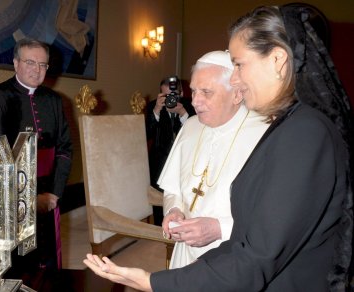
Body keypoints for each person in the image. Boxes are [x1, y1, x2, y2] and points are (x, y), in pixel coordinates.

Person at [84, 5, 353, 291]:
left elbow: (256, 257)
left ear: (277, 59)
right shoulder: (291, 125)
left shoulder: (304, 133)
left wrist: (151, 282)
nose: (235, 78)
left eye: (239, 64)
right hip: (223, 267)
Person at [0, 38, 73, 287]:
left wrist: (55, 193)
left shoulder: (54, 100)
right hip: (7, 197)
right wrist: (26, 198)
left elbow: (64, 149)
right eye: (30, 62)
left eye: (43, 64)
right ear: (16, 63)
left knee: (46, 262)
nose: (37, 69)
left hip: (48, 191)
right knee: (12, 264)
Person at [160, 50, 269, 269]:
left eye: (206, 92)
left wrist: (220, 228)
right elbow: (173, 189)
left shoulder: (266, 134)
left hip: (237, 256)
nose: (195, 101)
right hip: (185, 255)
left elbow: (275, 216)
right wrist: (174, 210)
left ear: (237, 94)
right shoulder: (190, 126)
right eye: (193, 91)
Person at [146, 76, 195, 225]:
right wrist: (156, 110)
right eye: (165, 96)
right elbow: (145, 134)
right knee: (158, 201)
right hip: (159, 161)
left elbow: (198, 131)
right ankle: (160, 230)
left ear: (180, 93)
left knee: (182, 199)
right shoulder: (153, 106)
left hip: (185, 160)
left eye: (173, 96)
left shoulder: (190, 105)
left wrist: (182, 113)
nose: (170, 99)